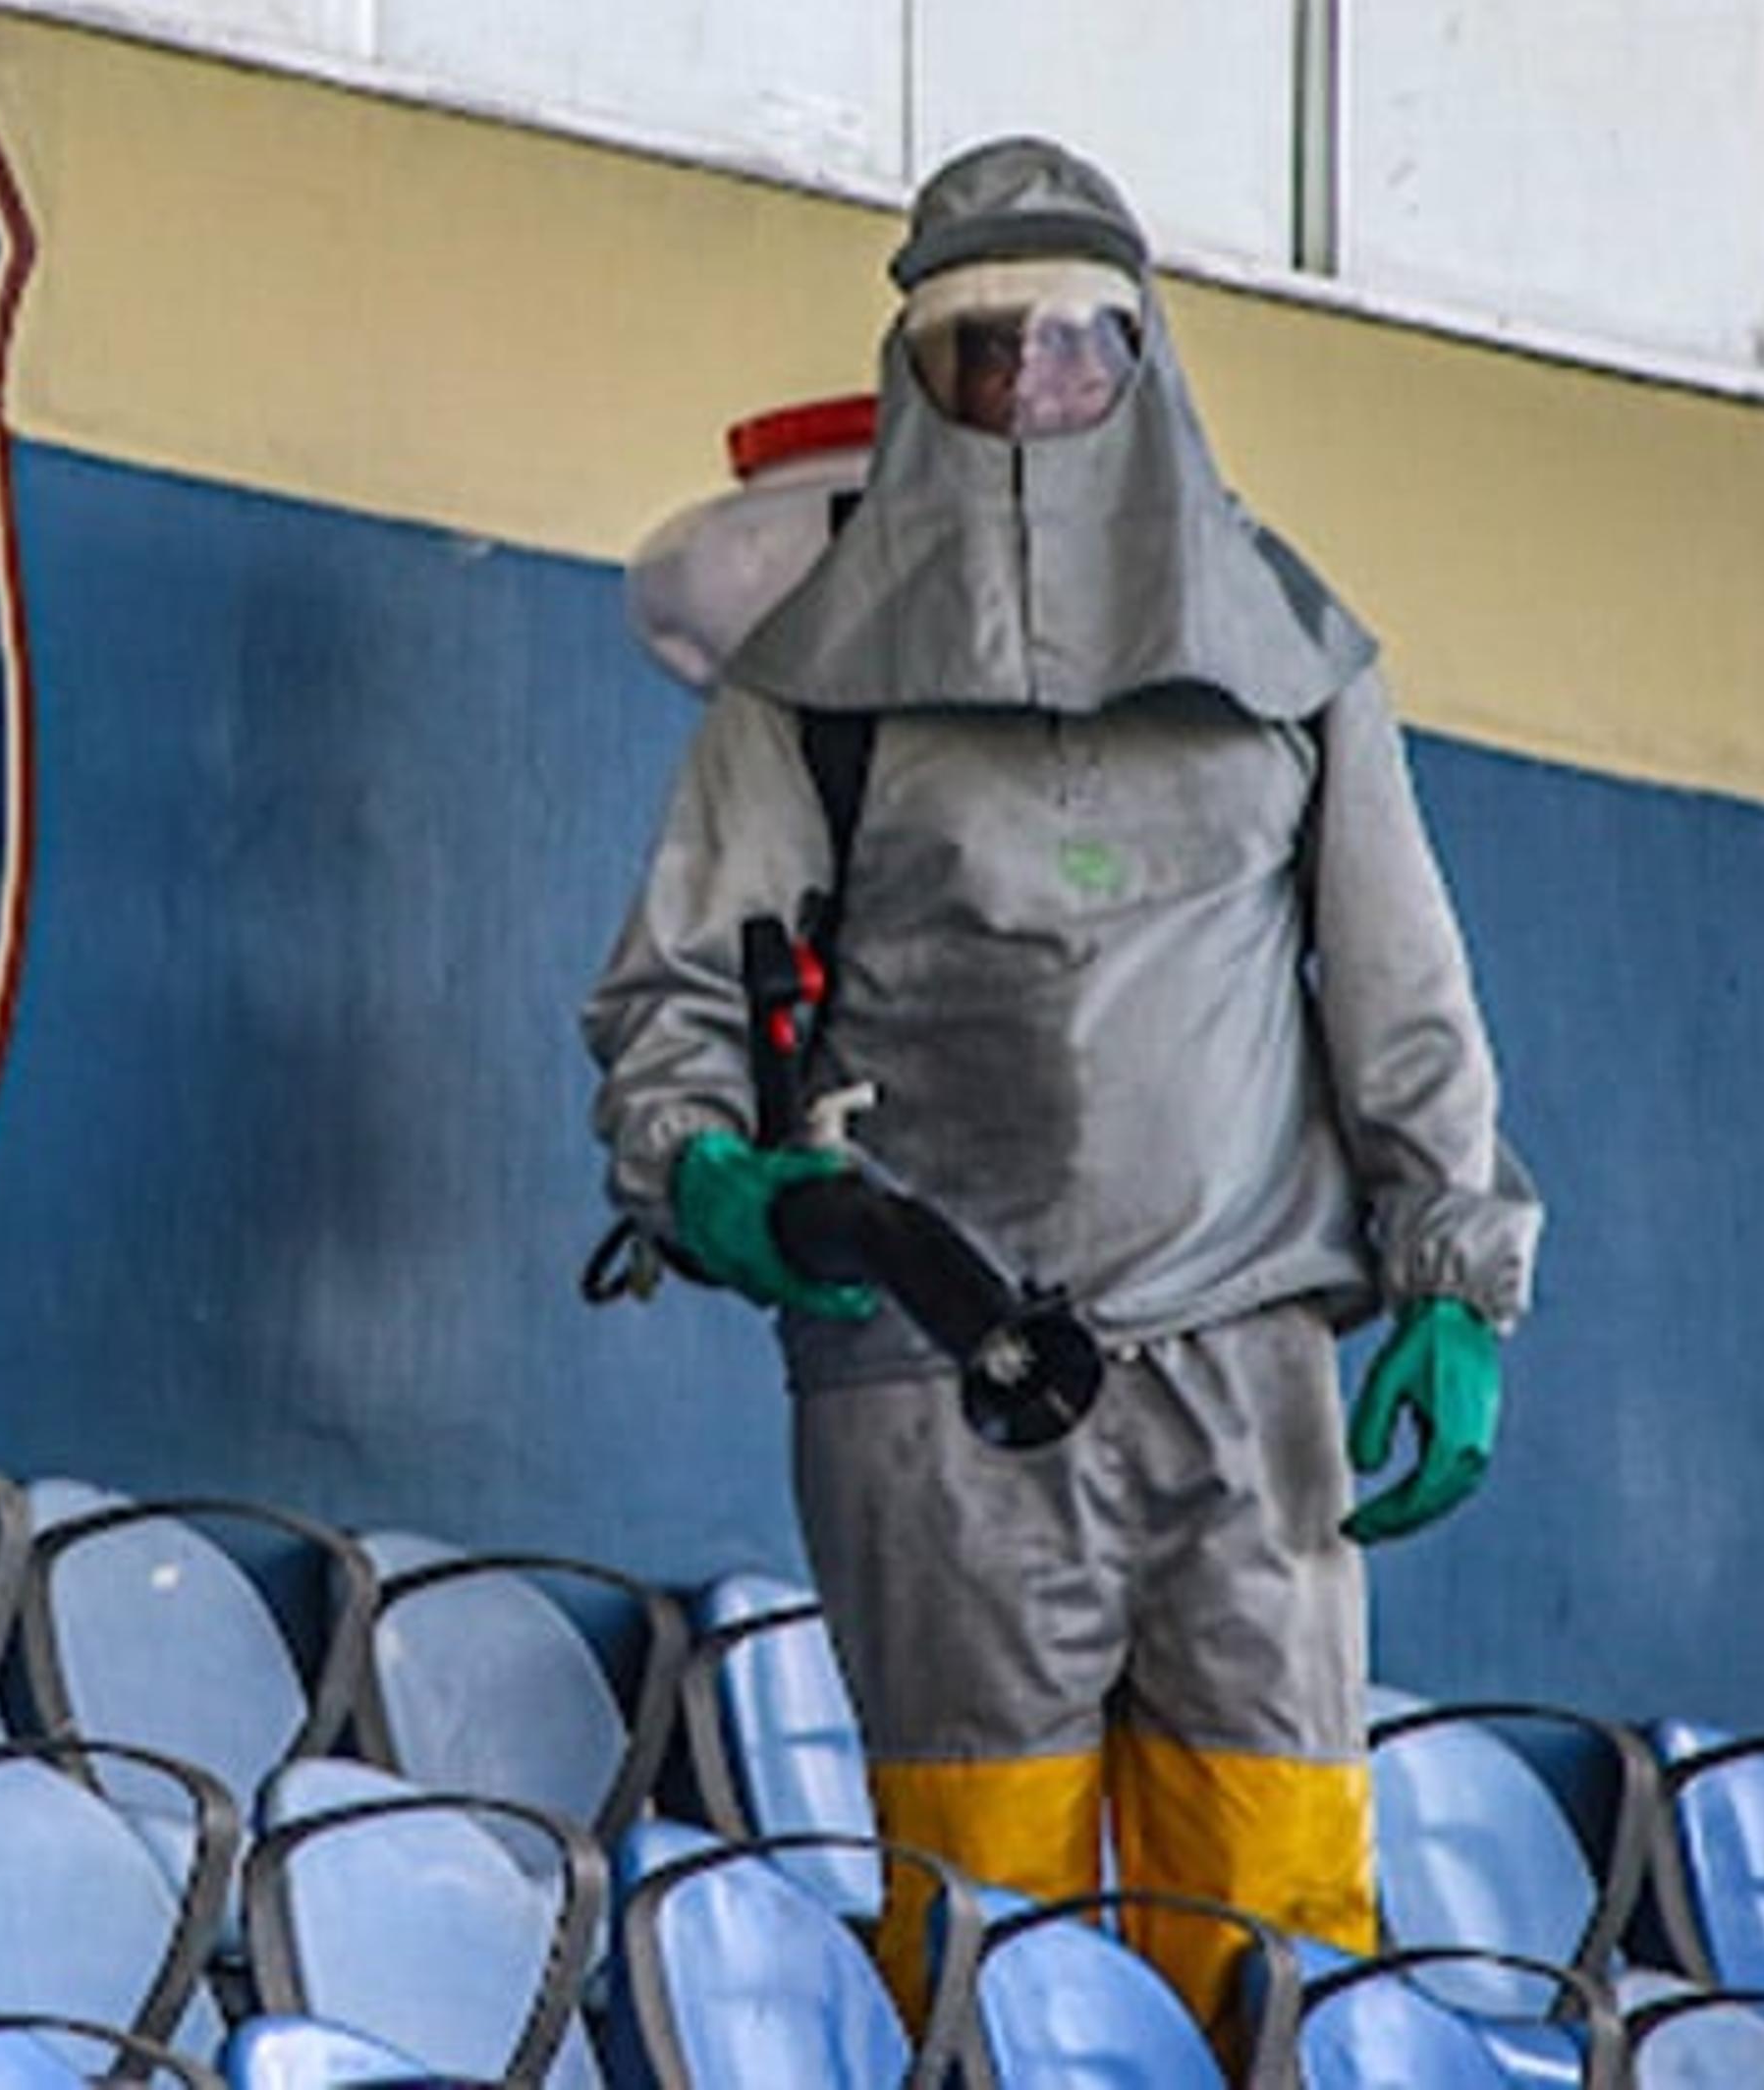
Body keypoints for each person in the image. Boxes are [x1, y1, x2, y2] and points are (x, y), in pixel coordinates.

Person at [581, 136, 1539, 2022]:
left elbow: (1402, 990)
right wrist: (705, 1181)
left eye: (1076, 353)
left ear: (1148, 364)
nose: (1031, 395)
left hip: (1245, 1360)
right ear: (917, 385)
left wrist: (1459, 1282)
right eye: (982, 357)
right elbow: (676, 995)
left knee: (1279, 1927)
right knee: (981, 1936)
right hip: (935, 1373)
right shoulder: (817, 692)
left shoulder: (1291, 660)